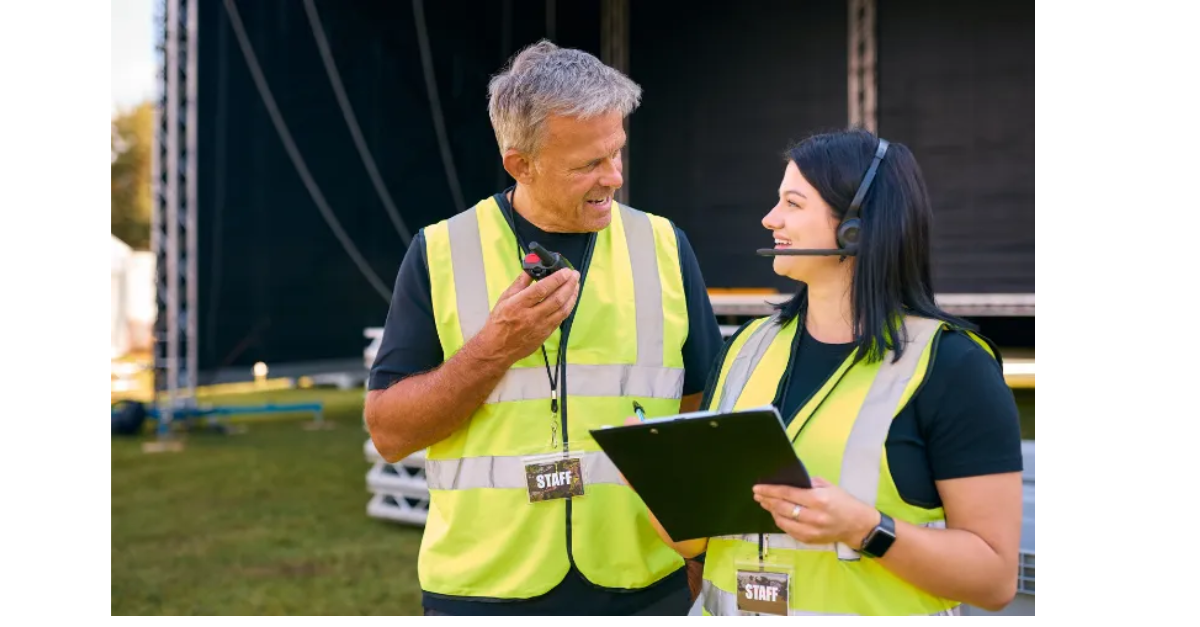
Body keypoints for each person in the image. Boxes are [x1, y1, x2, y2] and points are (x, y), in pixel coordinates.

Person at [364, 39, 724, 616]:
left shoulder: (663, 246)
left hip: (642, 588)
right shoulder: (439, 252)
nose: (613, 177)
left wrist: (696, 558)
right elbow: (390, 434)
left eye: (617, 153)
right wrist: (492, 349)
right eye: (588, 164)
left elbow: (699, 411)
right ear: (520, 164)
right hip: (483, 593)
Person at [631, 128, 1025, 616]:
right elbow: (698, 546)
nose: (769, 218)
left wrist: (863, 528)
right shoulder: (747, 350)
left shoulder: (953, 366)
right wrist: (659, 483)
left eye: (793, 204)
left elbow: (994, 579)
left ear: (855, 228)